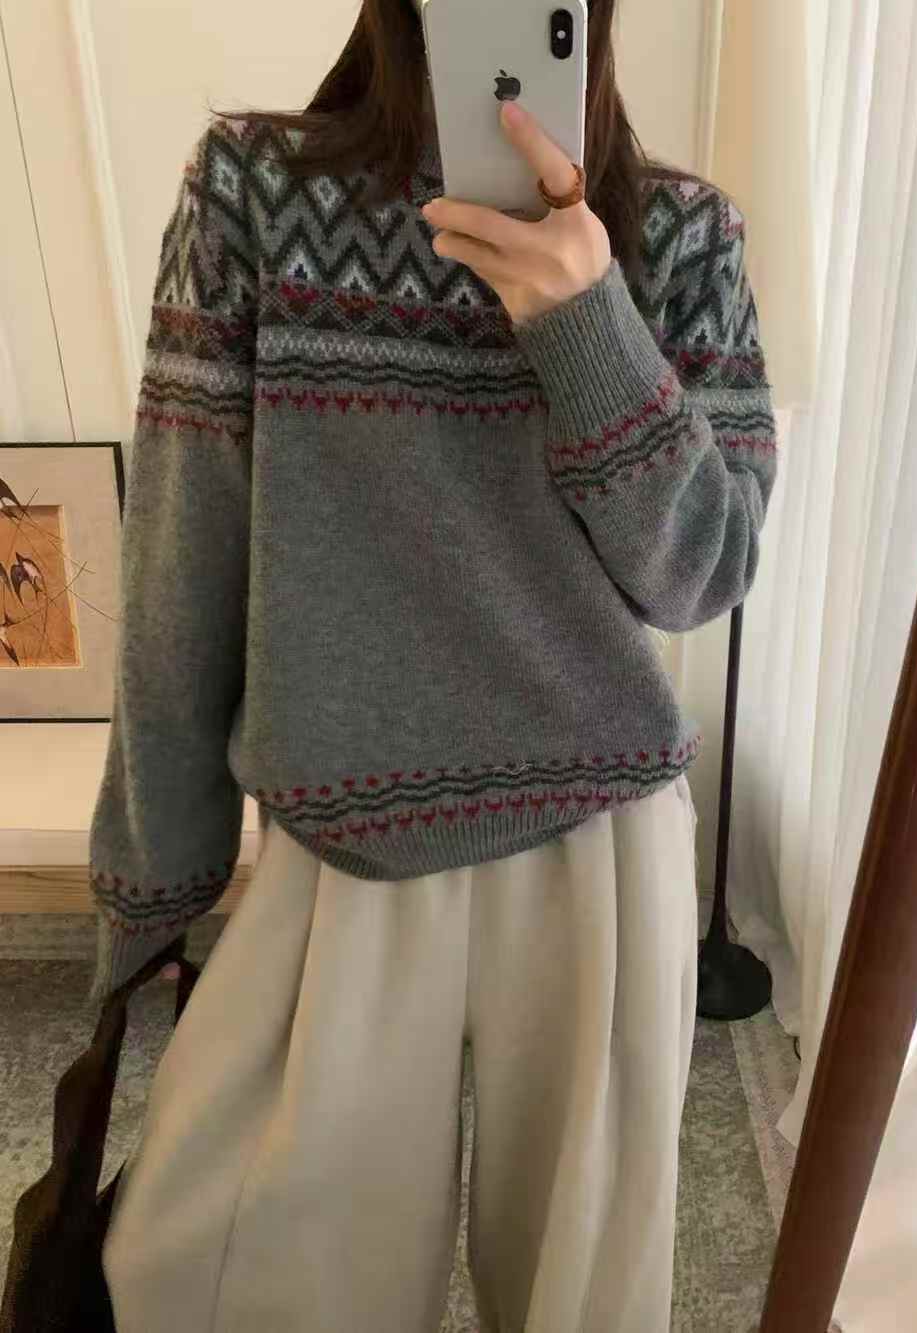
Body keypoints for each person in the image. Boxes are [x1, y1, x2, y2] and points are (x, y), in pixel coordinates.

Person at [90, 1, 778, 1328]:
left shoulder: (684, 236)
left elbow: (701, 574)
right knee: (243, 1281)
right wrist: (150, 884)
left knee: (583, 1302)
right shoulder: (254, 192)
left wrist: (588, 321)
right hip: (343, 846)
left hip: (600, 844)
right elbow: (183, 562)